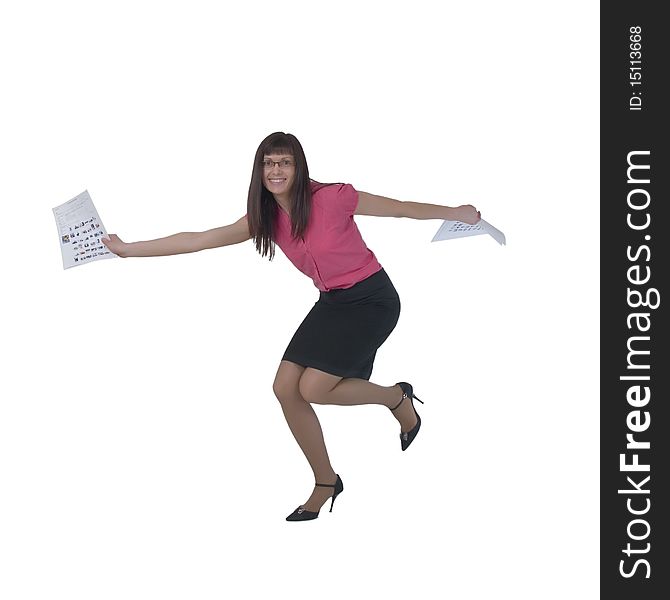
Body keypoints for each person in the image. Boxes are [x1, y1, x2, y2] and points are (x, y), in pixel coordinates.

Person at [102, 131, 481, 522]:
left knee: (314, 388)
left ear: (299, 167)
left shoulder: (334, 198)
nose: (276, 170)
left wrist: (456, 212)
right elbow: (199, 239)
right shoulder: (264, 218)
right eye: (269, 163)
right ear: (259, 171)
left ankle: (395, 398)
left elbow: (400, 208)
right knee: (285, 388)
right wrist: (128, 249)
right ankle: (326, 480)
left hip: (373, 300)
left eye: (284, 162)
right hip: (333, 302)